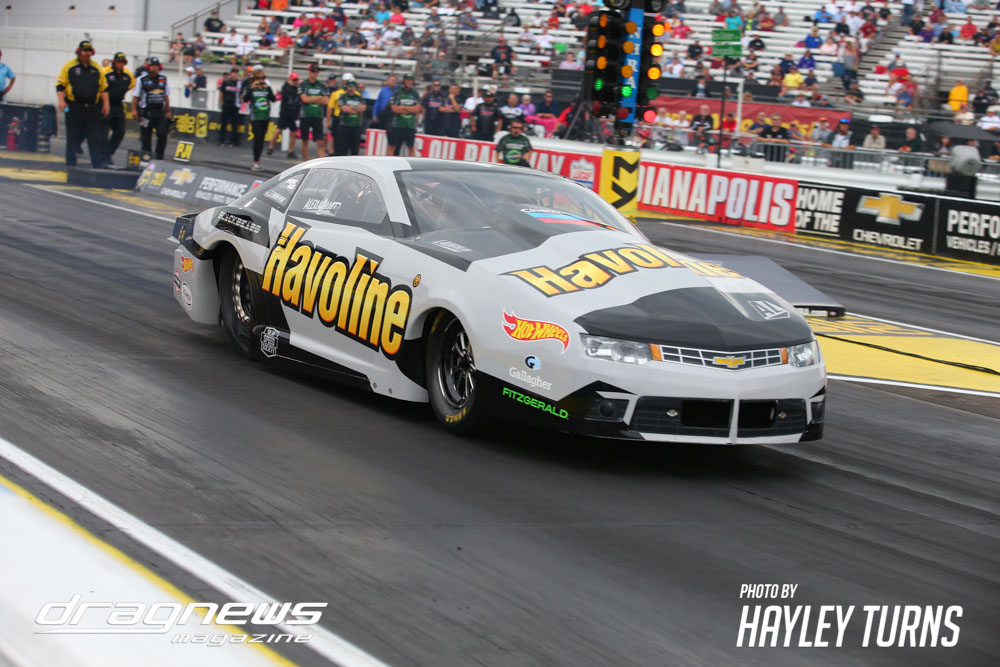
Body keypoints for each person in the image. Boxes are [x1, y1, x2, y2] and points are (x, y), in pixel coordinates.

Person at [56, 40, 109, 168]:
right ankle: (71, 163)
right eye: (85, 50)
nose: (87, 53)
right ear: (79, 52)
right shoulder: (69, 66)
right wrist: (61, 100)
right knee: (72, 136)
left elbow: (104, 88)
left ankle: (97, 164)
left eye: (89, 50)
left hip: (92, 108)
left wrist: (106, 104)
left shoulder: (96, 68)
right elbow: (60, 85)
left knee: (94, 137)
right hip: (74, 106)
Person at [131, 57, 171, 160]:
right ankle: (146, 157)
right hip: (146, 112)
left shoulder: (163, 79)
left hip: (160, 111)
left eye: (156, 66)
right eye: (152, 66)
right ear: (148, 67)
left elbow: (166, 96)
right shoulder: (141, 79)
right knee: (145, 136)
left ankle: (159, 156)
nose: (154, 68)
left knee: (163, 134)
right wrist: (134, 110)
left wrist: (168, 111)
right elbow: (135, 96)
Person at [101, 52, 134, 166]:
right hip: (105, 104)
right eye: (119, 62)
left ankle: (108, 153)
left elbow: (131, 85)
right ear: (114, 62)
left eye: (123, 62)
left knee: (120, 131)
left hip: (118, 105)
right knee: (103, 132)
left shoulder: (128, 74)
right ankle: (103, 156)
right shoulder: (105, 72)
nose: (120, 64)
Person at [243, 68, 275, 171]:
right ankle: (255, 161)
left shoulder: (266, 88)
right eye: (259, 78)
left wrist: (268, 87)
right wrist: (252, 88)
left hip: (265, 116)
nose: (261, 80)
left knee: (261, 139)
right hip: (255, 116)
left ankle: (258, 161)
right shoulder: (250, 87)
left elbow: (273, 99)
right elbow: (245, 99)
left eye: (263, 78)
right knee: (257, 139)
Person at [299, 63, 329, 160]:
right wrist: (318, 97)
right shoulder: (303, 85)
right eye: (313, 71)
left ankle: (321, 163)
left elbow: (326, 101)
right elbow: (304, 99)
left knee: (320, 141)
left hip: (317, 115)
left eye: (316, 72)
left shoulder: (321, 85)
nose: (315, 74)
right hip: (305, 115)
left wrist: (311, 99)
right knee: (305, 140)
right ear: (309, 71)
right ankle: (305, 162)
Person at [387, 73, 421, 156]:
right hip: (397, 124)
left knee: (411, 147)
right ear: (404, 81)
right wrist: (410, 109)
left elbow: (417, 108)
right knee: (392, 146)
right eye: (408, 80)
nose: (410, 82)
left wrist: (403, 107)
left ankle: (411, 163)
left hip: (410, 125)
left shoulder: (415, 93)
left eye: (411, 80)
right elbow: (394, 109)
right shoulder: (397, 93)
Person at [269, 72, 301, 157]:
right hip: (285, 113)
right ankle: (270, 147)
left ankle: (290, 150)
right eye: (294, 80)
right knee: (278, 130)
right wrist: (292, 85)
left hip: (292, 115)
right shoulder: (286, 87)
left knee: (293, 132)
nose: (295, 81)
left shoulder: (297, 88)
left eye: (296, 80)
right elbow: (286, 94)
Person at [334, 74, 364, 156]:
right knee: (343, 149)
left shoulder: (359, 97)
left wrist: (351, 107)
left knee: (355, 149)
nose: (351, 88)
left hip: (356, 126)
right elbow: (344, 109)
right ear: (347, 87)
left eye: (353, 86)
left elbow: (363, 108)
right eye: (349, 86)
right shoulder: (343, 97)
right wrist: (356, 108)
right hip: (344, 125)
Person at [217, 68, 242, 146]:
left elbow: (242, 94)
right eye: (233, 72)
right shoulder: (226, 82)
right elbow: (221, 93)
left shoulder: (239, 83)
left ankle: (232, 141)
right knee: (223, 123)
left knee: (234, 124)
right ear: (231, 73)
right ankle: (221, 140)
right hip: (226, 104)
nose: (235, 74)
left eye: (236, 73)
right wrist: (222, 103)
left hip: (235, 105)